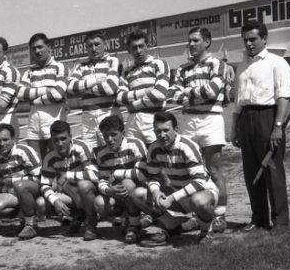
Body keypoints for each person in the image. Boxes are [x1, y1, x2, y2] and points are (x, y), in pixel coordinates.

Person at [230, 20, 290, 233]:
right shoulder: (242, 66)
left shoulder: (277, 62)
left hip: (268, 117)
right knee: (251, 172)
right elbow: (238, 101)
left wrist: (278, 126)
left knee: (272, 170)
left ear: (264, 39)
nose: (248, 44)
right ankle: (259, 218)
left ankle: (280, 221)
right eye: (245, 40)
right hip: (246, 119)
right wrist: (234, 128)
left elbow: (283, 96)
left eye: (253, 39)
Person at [168, 27, 228, 233]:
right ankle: (197, 216)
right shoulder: (182, 69)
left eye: (195, 40)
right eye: (190, 41)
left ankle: (220, 215)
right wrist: (195, 94)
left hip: (210, 119)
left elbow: (212, 91)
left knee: (214, 169)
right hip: (188, 121)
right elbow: (173, 96)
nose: (191, 44)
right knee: (192, 170)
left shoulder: (217, 63)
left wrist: (188, 94)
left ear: (207, 42)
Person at [132, 111, 219, 247]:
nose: (162, 135)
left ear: (176, 129)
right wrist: (156, 192)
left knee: (200, 201)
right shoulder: (153, 149)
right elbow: (153, 177)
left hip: (202, 191)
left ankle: (206, 230)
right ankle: (172, 226)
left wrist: (171, 198)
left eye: (166, 130)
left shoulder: (187, 146)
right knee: (138, 194)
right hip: (177, 191)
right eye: (158, 131)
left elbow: (200, 182)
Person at [15, 121, 98, 241]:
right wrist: (55, 201)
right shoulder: (50, 156)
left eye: (63, 139)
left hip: (89, 190)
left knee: (83, 185)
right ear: (52, 140)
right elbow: (44, 184)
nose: (60, 143)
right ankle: (79, 215)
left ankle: (91, 223)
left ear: (70, 137)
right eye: (56, 140)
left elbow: (95, 174)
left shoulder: (82, 147)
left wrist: (67, 175)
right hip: (69, 191)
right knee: (41, 204)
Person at [93, 115, 148, 243]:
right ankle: (129, 218)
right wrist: (109, 190)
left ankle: (134, 225)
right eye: (105, 136)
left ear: (123, 133)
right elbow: (102, 180)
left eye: (113, 135)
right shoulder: (102, 154)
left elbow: (142, 174)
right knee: (99, 203)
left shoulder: (135, 144)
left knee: (127, 184)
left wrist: (117, 173)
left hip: (141, 190)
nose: (109, 139)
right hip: (120, 192)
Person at [16, 33, 68, 161]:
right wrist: (47, 90)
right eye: (33, 48)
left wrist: (34, 99)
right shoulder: (29, 71)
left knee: (56, 163)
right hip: (34, 123)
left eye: (40, 47)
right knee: (35, 163)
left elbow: (57, 94)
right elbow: (20, 94)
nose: (37, 51)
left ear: (49, 47)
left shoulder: (60, 67)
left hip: (54, 120)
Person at [67, 31, 120, 149]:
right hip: (87, 118)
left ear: (105, 44)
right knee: (89, 152)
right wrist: (96, 81)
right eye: (90, 46)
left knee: (111, 151)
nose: (93, 48)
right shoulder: (81, 65)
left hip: (108, 113)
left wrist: (83, 88)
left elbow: (110, 88)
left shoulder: (112, 61)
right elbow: (70, 87)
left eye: (97, 44)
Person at [117, 28, 170, 145]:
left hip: (153, 118)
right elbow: (120, 98)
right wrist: (147, 91)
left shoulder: (159, 64)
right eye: (134, 47)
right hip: (132, 121)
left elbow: (159, 94)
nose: (138, 51)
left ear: (147, 46)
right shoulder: (126, 71)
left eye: (141, 46)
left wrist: (133, 105)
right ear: (129, 50)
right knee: (134, 154)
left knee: (157, 152)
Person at [0, 123, 41, 222]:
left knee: (19, 186)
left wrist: (13, 181)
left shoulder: (24, 151)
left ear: (13, 139)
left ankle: (30, 219)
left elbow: (40, 178)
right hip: (11, 192)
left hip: (30, 190)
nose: (2, 144)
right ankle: (17, 215)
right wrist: (9, 190)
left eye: (5, 139)